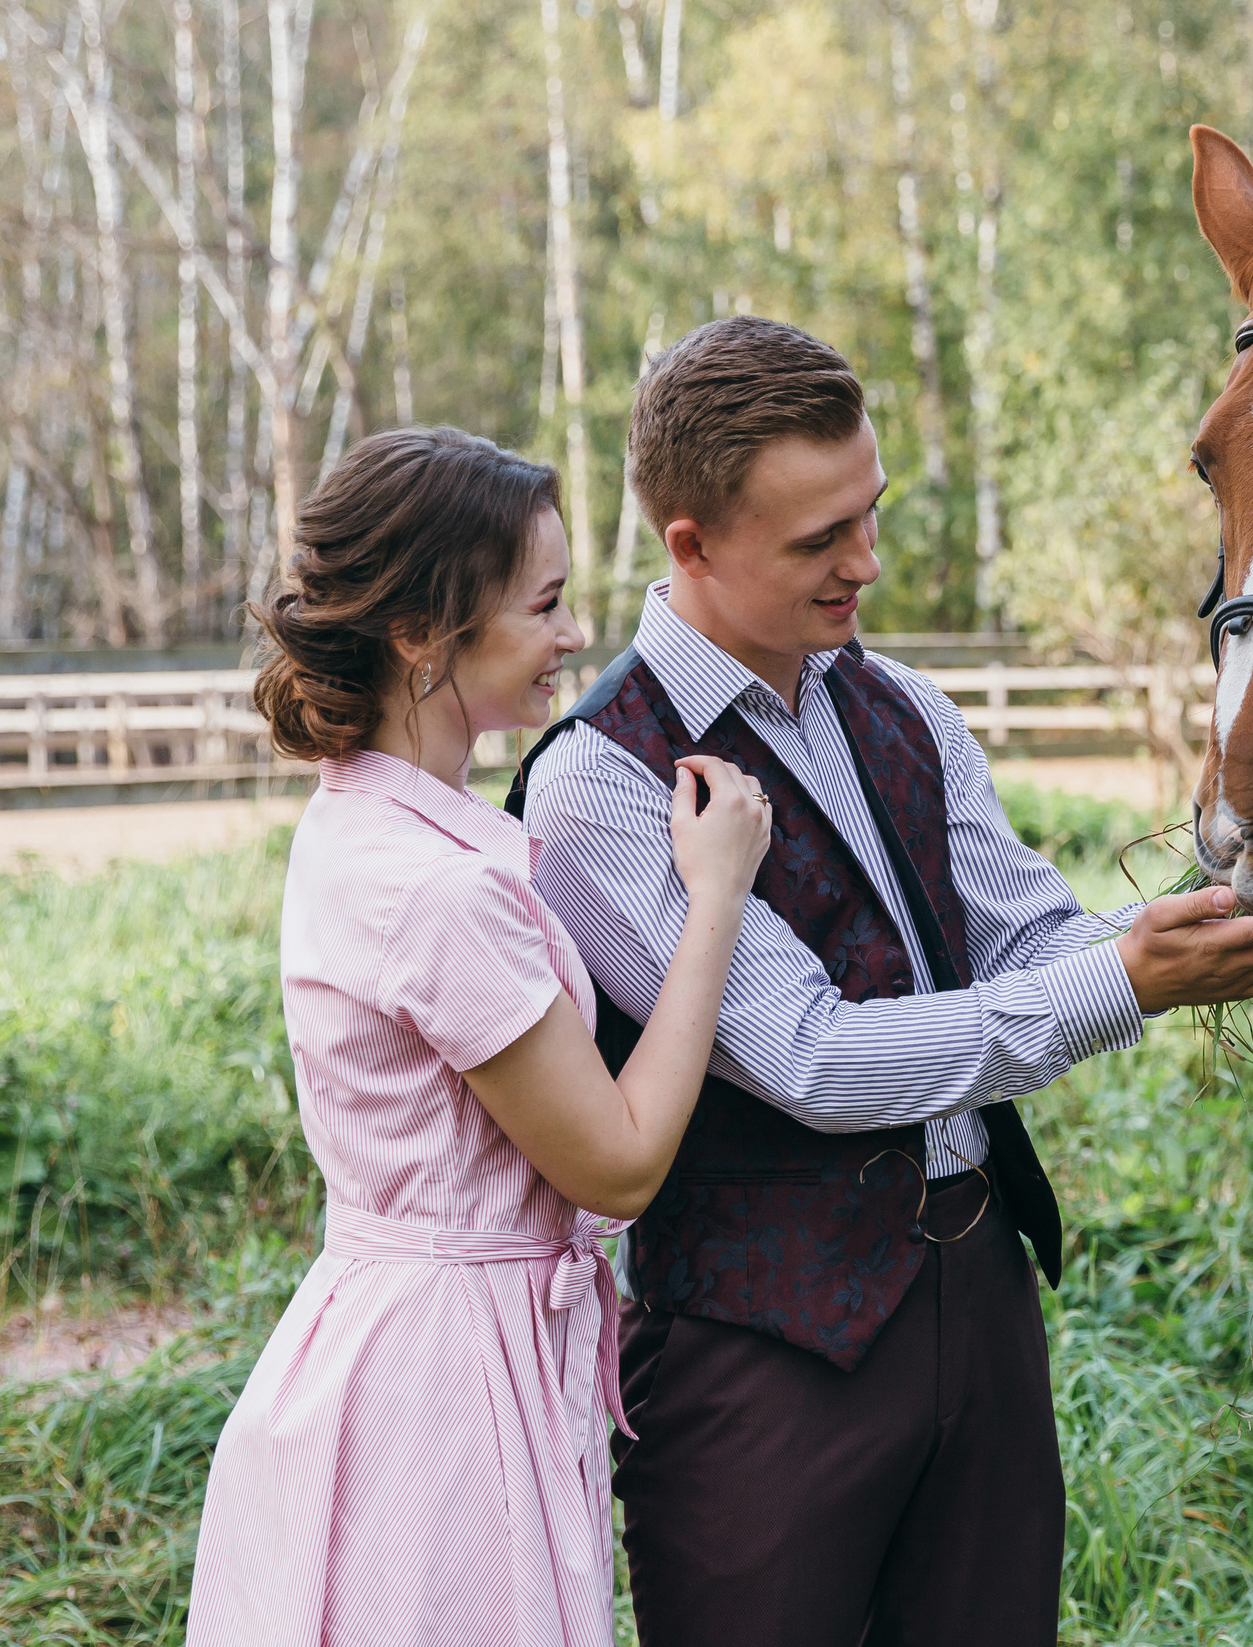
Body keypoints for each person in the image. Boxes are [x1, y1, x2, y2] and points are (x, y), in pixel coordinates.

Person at [516, 315, 1253, 1647]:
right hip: (762, 1361)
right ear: (692, 544)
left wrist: (1202, 928)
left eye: (871, 512)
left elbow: (1030, 943)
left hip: (983, 1300)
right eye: (818, 541)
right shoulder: (599, 781)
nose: (869, 562)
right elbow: (812, 1059)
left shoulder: (900, 703)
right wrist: (1131, 979)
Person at [187, 427, 773, 1647]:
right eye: (545, 605)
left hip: (391, 1335)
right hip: (448, 1389)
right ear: (420, 634)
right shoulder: (441, 891)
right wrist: (714, 898)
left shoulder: (363, 822)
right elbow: (614, 1162)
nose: (571, 637)